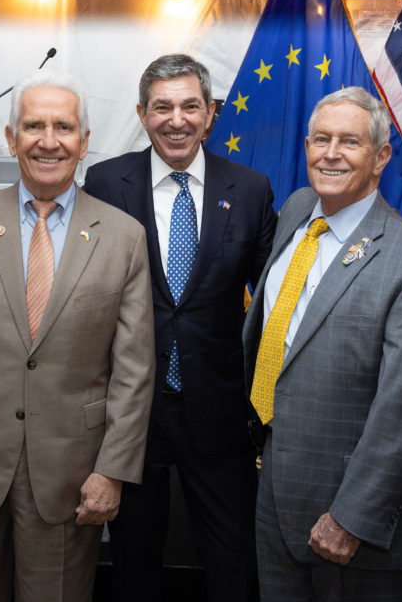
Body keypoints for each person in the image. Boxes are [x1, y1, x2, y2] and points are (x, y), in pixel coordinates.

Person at [0, 70, 156, 602]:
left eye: (63, 127)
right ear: (10, 137)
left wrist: (112, 472)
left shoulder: (125, 237)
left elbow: (134, 373)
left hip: (71, 476)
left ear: (84, 143)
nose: (49, 141)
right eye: (34, 126)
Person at [241, 86, 402, 601]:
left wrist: (353, 516)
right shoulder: (297, 210)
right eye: (321, 139)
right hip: (272, 489)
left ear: (380, 157)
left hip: (347, 518)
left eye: (350, 142)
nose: (331, 154)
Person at [83, 53, 276, 602]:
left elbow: (274, 296)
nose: (177, 120)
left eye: (191, 106)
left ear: (210, 113)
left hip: (220, 409)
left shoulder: (251, 188)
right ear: (142, 114)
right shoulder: (104, 182)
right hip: (131, 411)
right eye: (162, 107)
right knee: (132, 562)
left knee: (232, 564)